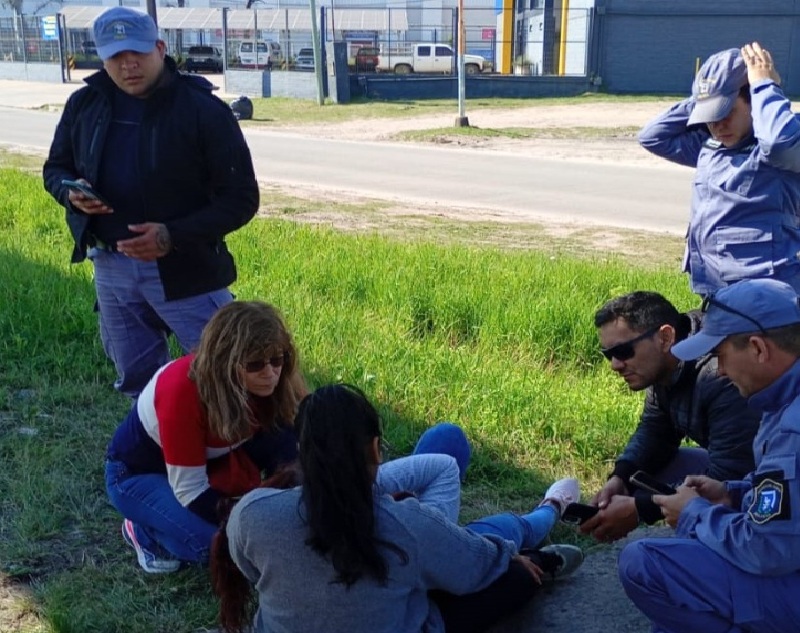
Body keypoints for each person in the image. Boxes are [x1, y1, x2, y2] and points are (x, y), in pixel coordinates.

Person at [214, 384, 584, 633]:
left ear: (300, 451)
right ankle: (547, 520)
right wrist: (508, 558)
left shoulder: (253, 514)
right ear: (375, 449)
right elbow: (476, 569)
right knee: (513, 572)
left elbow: (248, 567)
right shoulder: (407, 523)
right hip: (432, 576)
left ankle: (544, 516)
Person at [42, 7, 259, 397]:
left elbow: (242, 199)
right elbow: (55, 168)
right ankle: (152, 453)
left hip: (187, 270)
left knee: (227, 376)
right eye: (116, 57)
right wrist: (70, 194)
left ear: (160, 48)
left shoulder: (203, 110)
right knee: (138, 384)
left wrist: (172, 235)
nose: (128, 66)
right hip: (110, 265)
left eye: (137, 54)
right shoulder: (84, 105)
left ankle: (240, 455)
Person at [619, 278, 800, 633]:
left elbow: (764, 549)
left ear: (758, 348)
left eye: (720, 356)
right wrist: (732, 492)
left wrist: (695, 513)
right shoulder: (783, 396)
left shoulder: (793, 427)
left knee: (643, 564)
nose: (720, 370)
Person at [105, 301, 306, 574]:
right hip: (139, 473)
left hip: (212, 458)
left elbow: (294, 442)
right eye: (255, 364)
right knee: (221, 547)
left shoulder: (273, 381)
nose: (270, 373)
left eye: (277, 359)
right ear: (226, 362)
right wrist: (255, 521)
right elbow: (190, 489)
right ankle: (144, 530)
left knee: (289, 456)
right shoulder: (182, 392)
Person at [581, 291, 759, 543]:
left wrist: (642, 508)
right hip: (742, 470)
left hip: (766, 488)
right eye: (609, 355)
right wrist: (621, 477)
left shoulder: (719, 376)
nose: (615, 365)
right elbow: (655, 432)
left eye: (623, 351)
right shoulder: (663, 365)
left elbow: (732, 476)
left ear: (665, 337)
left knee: (640, 562)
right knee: (647, 471)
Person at [638, 43, 800, 295]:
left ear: (754, 102)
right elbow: (652, 136)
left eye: (728, 111)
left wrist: (765, 85)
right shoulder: (710, 146)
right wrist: (704, 97)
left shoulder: (781, 146)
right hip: (713, 287)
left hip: (766, 294)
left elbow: (778, 143)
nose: (718, 124)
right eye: (711, 114)